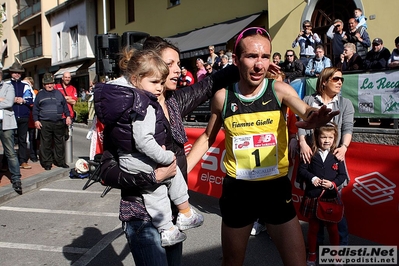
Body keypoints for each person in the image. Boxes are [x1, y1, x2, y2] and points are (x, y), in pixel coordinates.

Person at [186, 27, 339, 266]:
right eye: (252, 56)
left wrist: (314, 116)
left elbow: (304, 109)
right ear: (236, 60)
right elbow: (206, 138)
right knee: (232, 262)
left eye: (265, 57)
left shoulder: (278, 91)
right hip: (238, 191)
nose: (260, 65)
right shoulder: (223, 98)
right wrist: (179, 175)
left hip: (274, 190)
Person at [95, 37, 241, 265]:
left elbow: (210, 83)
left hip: (172, 215)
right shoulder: (127, 112)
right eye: (170, 64)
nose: (177, 70)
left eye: (178, 64)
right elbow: (106, 171)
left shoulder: (174, 102)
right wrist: (151, 177)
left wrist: (244, 62)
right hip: (141, 215)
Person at [117, 49, 204, 247]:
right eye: (154, 82)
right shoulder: (142, 106)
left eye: (160, 81)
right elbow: (141, 141)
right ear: (136, 78)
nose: (159, 87)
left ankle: (184, 213)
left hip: (147, 167)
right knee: (156, 194)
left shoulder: (147, 102)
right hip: (139, 182)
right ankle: (167, 228)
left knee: (172, 181)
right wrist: (163, 158)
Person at [297, 67, 354, 247]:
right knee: (315, 206)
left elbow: (348, 128)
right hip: (312, 158)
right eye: (336, 79)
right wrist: (302, 142)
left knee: (334, 204)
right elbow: (300, 123)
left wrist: (344, 147)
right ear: (324, 81)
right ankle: (316, 246)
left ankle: (341, 246)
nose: (340, 83)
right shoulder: (308, 100)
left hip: (333, 159)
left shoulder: (345, 104)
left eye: (341, 80)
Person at [298, 122, 348, 266]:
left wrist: (333, 184)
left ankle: (335, 254)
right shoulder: (310, 152)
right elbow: (302, 170)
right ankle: (312, 255)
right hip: (313, 196)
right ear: (317, 137)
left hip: (329, 197)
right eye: (323, 137)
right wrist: (312, 178)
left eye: (330, 137)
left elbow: (342, 175)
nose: (326, 140)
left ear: (335, 138)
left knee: (333, 229)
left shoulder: (337, 155)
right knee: (313, 228)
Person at [33, 73, 72, 170]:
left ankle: (60, 161)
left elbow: (65, 106)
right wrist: (36, 120)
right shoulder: (40, 95)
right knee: (46, 144)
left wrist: (68, 116)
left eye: (51, 83)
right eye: (47, 83)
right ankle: (47, 163)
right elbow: (35, 109)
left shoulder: (59, 93)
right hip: (45, 122)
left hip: (58, 122)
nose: (50, 85)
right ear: (44, 84)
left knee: (60, 143)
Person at [6, 61, 35, 170]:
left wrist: (22, 100)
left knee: (22, 140)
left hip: (23, 115)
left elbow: (32, 99)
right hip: (10, 115)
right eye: (14, 72)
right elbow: (2, 99)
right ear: (11, 73)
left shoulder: (26, 85)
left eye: (18, 72)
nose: (17, 74)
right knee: (9, 140)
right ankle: (7, 162)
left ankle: (23, 161)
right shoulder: (6, 84)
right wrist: (11, 100)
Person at [0, 69, 22, 194]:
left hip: (6, 124)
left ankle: (16, 179)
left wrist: (5, 101)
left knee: (10, 152)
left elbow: (9, 102)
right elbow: (6, 102)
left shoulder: (9, 86)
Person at [23, 76, 39, 163]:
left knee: (32, 138)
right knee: (23, 139)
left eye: (28, 83)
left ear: (31, 84)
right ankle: (23, 156)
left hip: (32, 119)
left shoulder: (35, 93)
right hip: (24, 119)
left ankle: (33, 155)